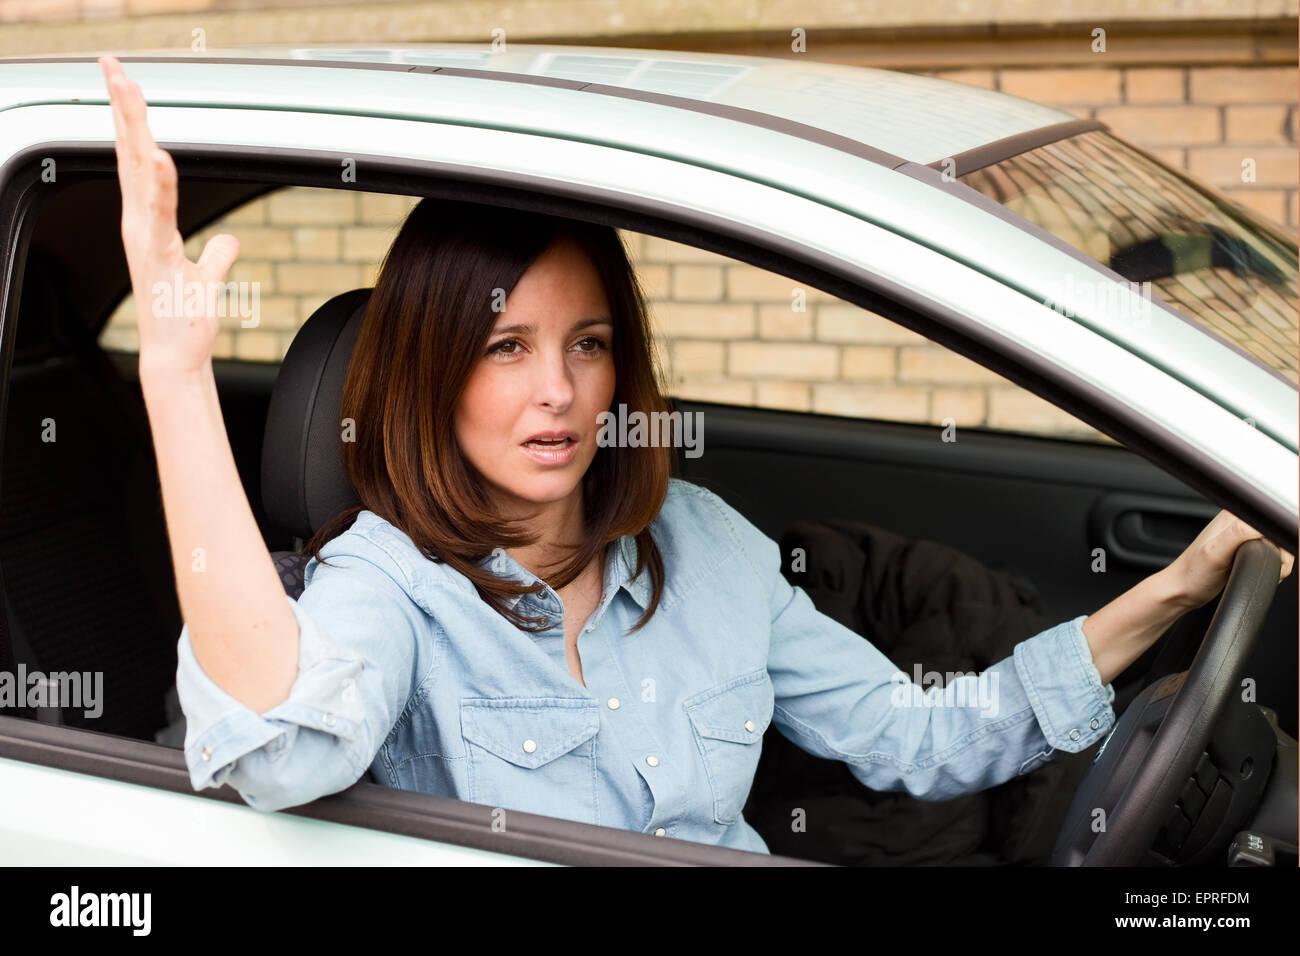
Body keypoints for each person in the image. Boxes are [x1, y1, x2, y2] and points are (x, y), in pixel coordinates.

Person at [100, 55, 1294, 855]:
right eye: (504, 346)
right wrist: (175, 374)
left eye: (588, 343)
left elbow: (923, 733)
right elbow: (272, 739)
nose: (558, 390)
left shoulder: (706, 544)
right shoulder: (388, 582)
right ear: (429, 374)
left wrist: (1180, 588)